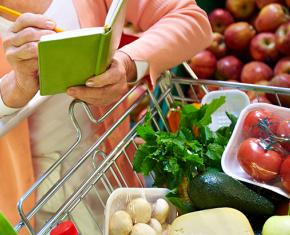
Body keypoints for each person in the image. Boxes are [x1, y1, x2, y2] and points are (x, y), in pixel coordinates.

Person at [0, 0, 212, 233]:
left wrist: (127, 62)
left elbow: (191, 18)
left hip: (119, 191)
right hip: (24, 215)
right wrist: (13, 90)